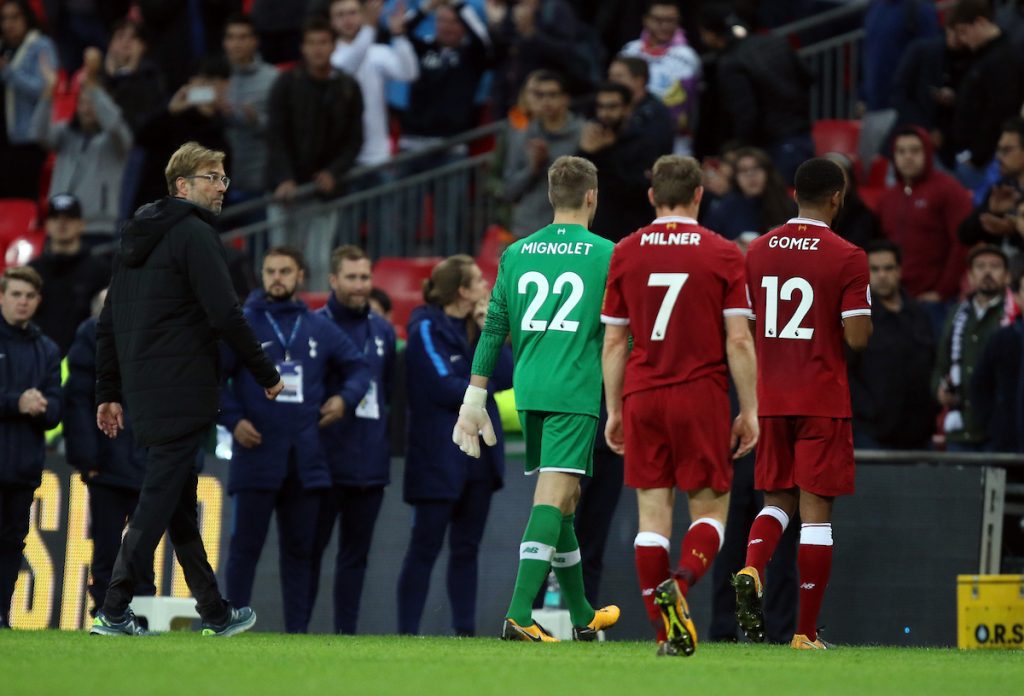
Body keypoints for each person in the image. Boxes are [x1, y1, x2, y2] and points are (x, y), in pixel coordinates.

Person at [91, 141, 284, 637]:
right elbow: (225, 313)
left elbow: (109, 320)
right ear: (183, 186)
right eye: (212, 177)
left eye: (223, 177)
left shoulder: (134, 237)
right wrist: (264, 372)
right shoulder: (194, 234)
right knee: (158, 500)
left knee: (176, 503)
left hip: (145, 388)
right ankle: (113, 607)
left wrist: (108, 390)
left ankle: (214, 612)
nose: (222, 186)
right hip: (183, 387)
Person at [453, 155, 620, 642]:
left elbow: (494, 329)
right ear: (592, 196)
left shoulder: (517, 252)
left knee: (564, 500)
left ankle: (583, 613)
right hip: (575, 390)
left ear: (551, 197)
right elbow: (621, 335)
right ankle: (520, 613)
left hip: (528, 391)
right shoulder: (608, 253)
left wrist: (475, 395)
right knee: (554, 496)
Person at [600, 155, 758, 656]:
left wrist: (616, 409)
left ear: (652, 196)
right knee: (710, 511)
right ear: (698, 195)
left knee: (652, 518)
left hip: (643, 392)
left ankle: (667, 634)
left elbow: (612, 343)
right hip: (701, 394)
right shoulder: (724, 252)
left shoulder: (625, 251)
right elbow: (738, 340)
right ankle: (683, 581)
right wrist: (749, 408)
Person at [733, 157, 873, 650]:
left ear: (794, 194)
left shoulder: (757, 252)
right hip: (821, 398)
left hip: (771, 397)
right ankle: (804, 633)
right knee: (816, 517)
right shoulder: (848, 255)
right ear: (837, 197)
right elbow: (857, 337)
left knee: (776, 503)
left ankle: (752, 566)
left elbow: (744, 331)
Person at [221, 246, 369, 634]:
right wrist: (234, 420)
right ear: (261, 275)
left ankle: (297, 634)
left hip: (306, 458)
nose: (277, 278)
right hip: (256, 453)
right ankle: (230, 625)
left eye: (285, 271)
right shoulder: (242, 323)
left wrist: (344, 398)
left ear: (301, 275)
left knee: (301, 552)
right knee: (244, 550)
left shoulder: (317, 326)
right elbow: (212, 380)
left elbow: (358, 367)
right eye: (270, 271)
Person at [397, 255, 513, 636]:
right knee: (424, 547)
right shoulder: (424, 327)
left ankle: (465, 632)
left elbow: (512, 375)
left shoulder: (481, 327)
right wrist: (480, 389)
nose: (486, 286)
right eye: (479, 280)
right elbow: (440, 383)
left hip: (479, 459)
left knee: (467, 550)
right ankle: (407, 633)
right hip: (437, 457)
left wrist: (487, 332)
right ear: (462, 290)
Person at [311, 245, 397, 634]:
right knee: (310, 553)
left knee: (355, 557)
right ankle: (298, 630)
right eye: (352, 277)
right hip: (324, 461)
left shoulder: (382, 330)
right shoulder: (314, 326)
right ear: (333, 280)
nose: (360, 285)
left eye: (365, 277)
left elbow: (388, 390)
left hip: (369, 462)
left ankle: (345, 634)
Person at [64, 298, 154, 617]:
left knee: (142, 547)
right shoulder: (92, 335)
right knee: (107, 545)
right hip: (109, 459)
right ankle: (106, 612)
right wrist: (87, 456)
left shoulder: (157, 331)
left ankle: (142, 613)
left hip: (146, 458)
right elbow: (77, 398)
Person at [267, 16, 364, 289]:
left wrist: (334, 172)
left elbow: (354, 141)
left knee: (319, 261)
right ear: (303, 48)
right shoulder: (285, 83)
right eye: (312, 43)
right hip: (285, 191)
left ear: (334, 46)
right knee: (281, 263)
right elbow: (275, 135)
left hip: (324, 192)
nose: (317, 49)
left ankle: (316, 322)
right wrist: (284, 177)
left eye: (323, 42)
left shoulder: (348, 87)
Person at [0, 266, 61, 630]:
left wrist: (44, 407)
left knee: (11, 545)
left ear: (38, 301)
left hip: (22, 467)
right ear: (2, 297)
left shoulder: (47, 349)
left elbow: (57, 407)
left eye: (29, 296)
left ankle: (2, 614)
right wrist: (15, 403)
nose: (23, 302)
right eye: (16, 294)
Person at [698, 8, 813, 185]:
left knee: (779, 205)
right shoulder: (776, 41)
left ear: (710, 34)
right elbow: (808, 77)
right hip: (802, 137)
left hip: (774, 146)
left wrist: (741, 150)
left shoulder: (731, 63)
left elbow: (746, 114)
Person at [878, 126, 973, 330]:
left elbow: (962, 242)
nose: (907, 157)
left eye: (914, 150)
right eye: (901, 152)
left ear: (928, 153)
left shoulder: (948, 189)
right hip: (894, 298)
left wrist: (942, 291)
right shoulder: (888, 197)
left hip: (935, 301)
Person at [31, 54, 133, 242]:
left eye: (92, 103)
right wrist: (49, 90)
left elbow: (113, 124)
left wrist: (93, 84)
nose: (86, 109)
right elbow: (39, 133)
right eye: (82, 103)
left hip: (97, 229)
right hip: (58, 224)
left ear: (105, 104)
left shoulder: (117, 140)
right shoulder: (65, 135)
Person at [847, 240, 937, 449]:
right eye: (875, 269)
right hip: (873, 432)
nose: (882, 275)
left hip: (919, 434)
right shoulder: (857, 319)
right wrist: (868, 409)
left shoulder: (920, 314)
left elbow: (934, 361)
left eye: (888, 268)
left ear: (899, 271)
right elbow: (845, 370)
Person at [932, 245, 1011, 452]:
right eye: (980, 266)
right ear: (970, 275)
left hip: (999, 431)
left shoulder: (1013, 314)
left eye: (995, 266)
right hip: (961, 428)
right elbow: (941, 363)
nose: (987, 272)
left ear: (1007, 275)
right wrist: (939, 390)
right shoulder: (957, 314)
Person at [578, 81, 672, 243]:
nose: (605, 113)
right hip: (594, 233)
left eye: (612, 107)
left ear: (628, 109)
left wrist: (605, 152)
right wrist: (585, 152)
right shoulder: (590, 141)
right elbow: (574, 184)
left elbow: (635, 189)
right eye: (601, 107)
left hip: (631, 235)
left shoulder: (644, 143)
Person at [330, 0, 419, 170]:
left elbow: (409, 73)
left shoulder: (378, 51)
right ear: (332, 22)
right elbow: (349, 65)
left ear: (362, 16)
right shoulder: (331, 58)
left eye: (352, 13)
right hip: (345, 160)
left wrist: (399, 36)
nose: (347, 20)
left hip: (378, 155)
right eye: (340, 15)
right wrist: (369, 28)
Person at [947, 0, 1024, 184]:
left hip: (987, 160)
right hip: (974, 155)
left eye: (963, 32)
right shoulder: (982, 56)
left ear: (980, 23)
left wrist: (977, 156)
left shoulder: (1002, 59)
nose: (963, 41)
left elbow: (999, 112)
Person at [502, 70, 583, 237]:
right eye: (540, 95)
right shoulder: (523, 135)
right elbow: (508, 191)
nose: (546, 101)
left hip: (572, 231)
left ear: (565, 98)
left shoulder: (582, 135)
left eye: (553, 95)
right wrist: (533, 168)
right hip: (529, 231)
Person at [27, 194, 110, 356]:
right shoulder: (33, 271)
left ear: (81, 225)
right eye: (55, 217)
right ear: (47, 225)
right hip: (40, 361)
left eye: (69, 218)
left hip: (85, 361)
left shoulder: (101, 270)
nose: (62, 223)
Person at [619, 0, 701, 155]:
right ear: (645, 20)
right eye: (658, 20)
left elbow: (685, 107)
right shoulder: (629, 51)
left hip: (675, 141)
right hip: (630, 135)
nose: (664, 26)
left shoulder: (687, 57)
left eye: (670, 20)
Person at [0, 0, 58, 199]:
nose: (9, 24)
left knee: (24, 201)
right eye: (4, 18)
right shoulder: (3, 48)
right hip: (6, 141)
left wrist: (8, 73)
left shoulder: (41, 46)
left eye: (14, 17)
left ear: (27, 18)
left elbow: (45, 89)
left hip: (30, 140)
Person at [222, 13, 279, 206]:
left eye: (243, 37)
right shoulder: (215, 79)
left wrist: (255, 120)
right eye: (231, 37)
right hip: (219, 184)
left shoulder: (272, 78)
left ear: (255, 41)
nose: (236, 44)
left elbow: (283, 129)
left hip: (259, 182)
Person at [958, 118, 1024, 252]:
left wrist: (1013, 228)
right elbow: (965, 235)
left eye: (1007, 150)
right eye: (998, 150)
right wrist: (990, 211)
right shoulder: (1004, 186)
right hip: (1000, 266)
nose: (999, 157)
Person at [703, 147, 795, 240]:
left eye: (756, 168)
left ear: (767, 172)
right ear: (735, 177)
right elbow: (708, 243)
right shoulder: (723, 210)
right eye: (743, 170)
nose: (750, 175)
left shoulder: (787, 205)